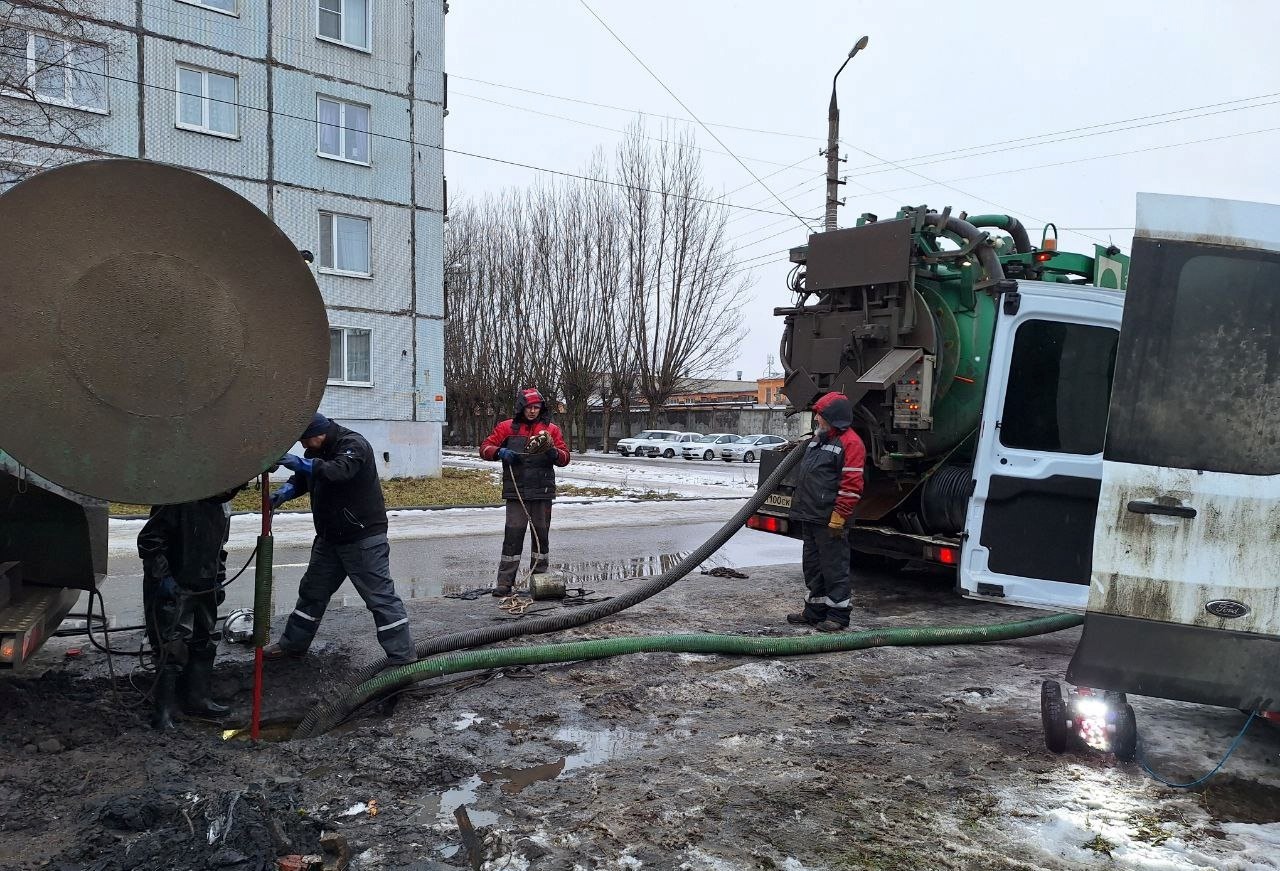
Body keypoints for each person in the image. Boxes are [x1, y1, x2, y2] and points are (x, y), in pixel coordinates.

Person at [265, 413, 415, 665]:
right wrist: (287, 490)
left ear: (319, 433)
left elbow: (338, 471)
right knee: (312, 592)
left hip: (362, 537)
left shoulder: (354, 445)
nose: (303, 446)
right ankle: (292, 645)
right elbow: (306, 477)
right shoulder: (318, 449)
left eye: (305, 440)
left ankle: (402, 656)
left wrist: (300, 464)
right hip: (329, 538)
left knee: (380, 598)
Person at [137, 485, 243, 730]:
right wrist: (163, 578)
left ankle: (198, 698)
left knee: (204, 638)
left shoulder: (222, 506)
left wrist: (217, 578)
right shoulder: (178, 498)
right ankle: (163, 712)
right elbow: (149, 541)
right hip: (175, 582)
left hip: (204, 582)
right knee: (171, 645)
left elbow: (219, 547)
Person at [786, 391, 866, 632]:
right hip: (810, 515)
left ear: (833, 417)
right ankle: (815, 611)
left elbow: (852, 484)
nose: (817, 419)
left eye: (820, 415)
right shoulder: (818, 440)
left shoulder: (850, 443)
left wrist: (839, 516)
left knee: (834, 568)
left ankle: (838, 615)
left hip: (830, 519)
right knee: (813, 566)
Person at [480, 388, 571, 596]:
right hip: (516, 491)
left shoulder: (551, 430)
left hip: (542, 490)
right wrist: (499, 452)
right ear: (521, 407)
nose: (532, 411)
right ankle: (505, 582)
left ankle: (539, 579)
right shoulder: (506, 428)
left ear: (541, 408)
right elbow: (485, 448)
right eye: (529, 407)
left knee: (541, 537)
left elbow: (565, 457)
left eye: (536, 407)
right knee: (513, 536)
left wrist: (554, 453)